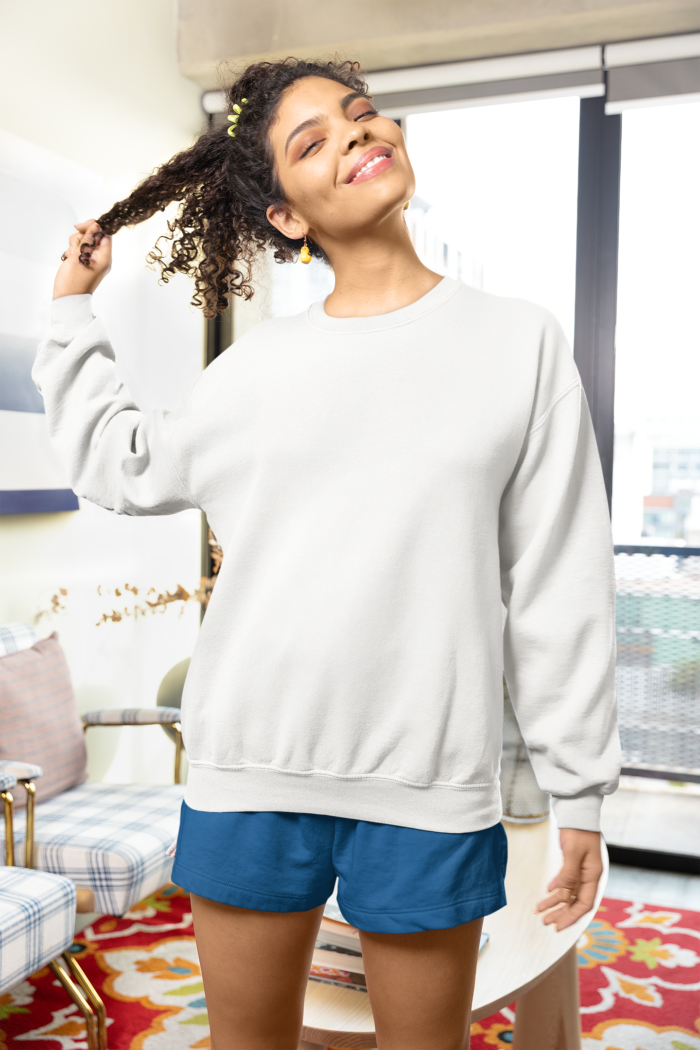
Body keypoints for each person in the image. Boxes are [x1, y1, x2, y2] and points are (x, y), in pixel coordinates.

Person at [35, 57, 621, 1050]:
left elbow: (558, 584)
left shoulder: (518, 344)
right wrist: (70, 312)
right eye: (311, 142)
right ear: (287, 216)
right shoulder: (255, 368)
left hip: (428, 783)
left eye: (361, 114)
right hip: (249, 772)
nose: (356, 134)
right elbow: (120, 463)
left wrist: (580, 790)